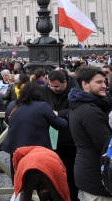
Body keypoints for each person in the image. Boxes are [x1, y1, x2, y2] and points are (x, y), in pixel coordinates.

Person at [2, 82, 67, 177]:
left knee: (18, 178)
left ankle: (19, 191)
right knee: (40, 179)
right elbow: (61, 125)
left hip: (16, 148)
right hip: (37, 149)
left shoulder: (12, 105)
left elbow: (8, 121)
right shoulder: (43, 106)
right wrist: (58, 114)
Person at [69, 66, 112, 200]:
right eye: (99, 82)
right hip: (96, 178)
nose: (104, 86)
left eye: (105, 82)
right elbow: (106, 145)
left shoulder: (79, 104)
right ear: (85, 84)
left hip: (87, 173)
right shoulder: (90, 111)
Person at [43, 69, 79, 201]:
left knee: (70, 174)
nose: (53, 89)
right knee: (52, 174)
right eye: (51, 86)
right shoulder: (45, 90)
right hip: (50, 141)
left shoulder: (75, 91)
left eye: (57, 86)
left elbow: (77, 110)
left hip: (69, 140)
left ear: (65, 83)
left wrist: (59, 114)